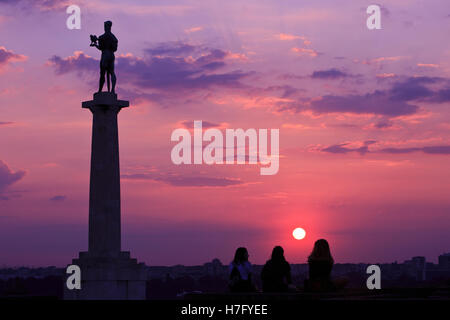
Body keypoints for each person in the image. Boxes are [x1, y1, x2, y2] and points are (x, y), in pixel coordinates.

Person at [92, 21, 118, 93]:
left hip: (105, 54)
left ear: (106, 27)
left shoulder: (102, 37)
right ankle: (112, 89)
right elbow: (115, 49)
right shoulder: (113, 37)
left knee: (103, 73)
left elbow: (101, 48)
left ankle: (100, 90)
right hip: (112, 55)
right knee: (112, 72)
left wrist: (95, 44)